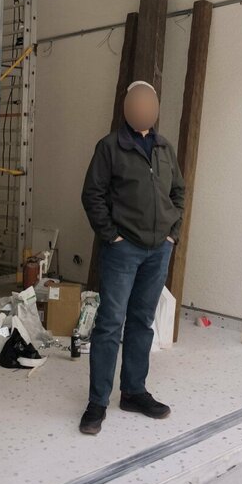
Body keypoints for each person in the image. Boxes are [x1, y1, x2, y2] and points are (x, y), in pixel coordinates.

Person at [79, 80, 185, 436]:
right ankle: (97, 402)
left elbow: (178, 192)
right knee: (110, 323)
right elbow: (92, 194)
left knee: (142, 322)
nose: (143, 108)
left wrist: (172, 234)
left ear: (155, 108)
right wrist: (112, 236)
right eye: (137, 102)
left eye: (149, 102)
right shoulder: (110, 147)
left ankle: (134, 392)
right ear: (127, 108)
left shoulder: (164, 148)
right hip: (123, 251)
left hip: (158, 250)